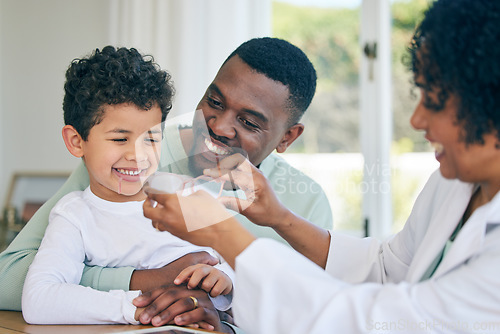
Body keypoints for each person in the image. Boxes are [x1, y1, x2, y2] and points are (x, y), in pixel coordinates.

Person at [141, 0, 500, 332]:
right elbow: (386, 269)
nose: (418, 120)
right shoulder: (454, 182)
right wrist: (280, 218)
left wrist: (220, 233)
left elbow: (368, 320)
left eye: (435, 101)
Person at [0, 37, 331, 328]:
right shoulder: (132, 157)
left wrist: (220, 309)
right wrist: (147, 283)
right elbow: (9, 279)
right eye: (214, 102)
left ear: (288, 137)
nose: (218, 126)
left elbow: (308, 316)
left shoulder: (305, 205)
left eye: (248, 122)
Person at [20, 46, 234, 331]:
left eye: (151, 139)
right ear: (76, 141)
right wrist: (143, 306)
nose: (138, 155)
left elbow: (241, 275)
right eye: (120, 139)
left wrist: (225, 282)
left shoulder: (190, 195)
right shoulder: (76, 215)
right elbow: (39, 299)